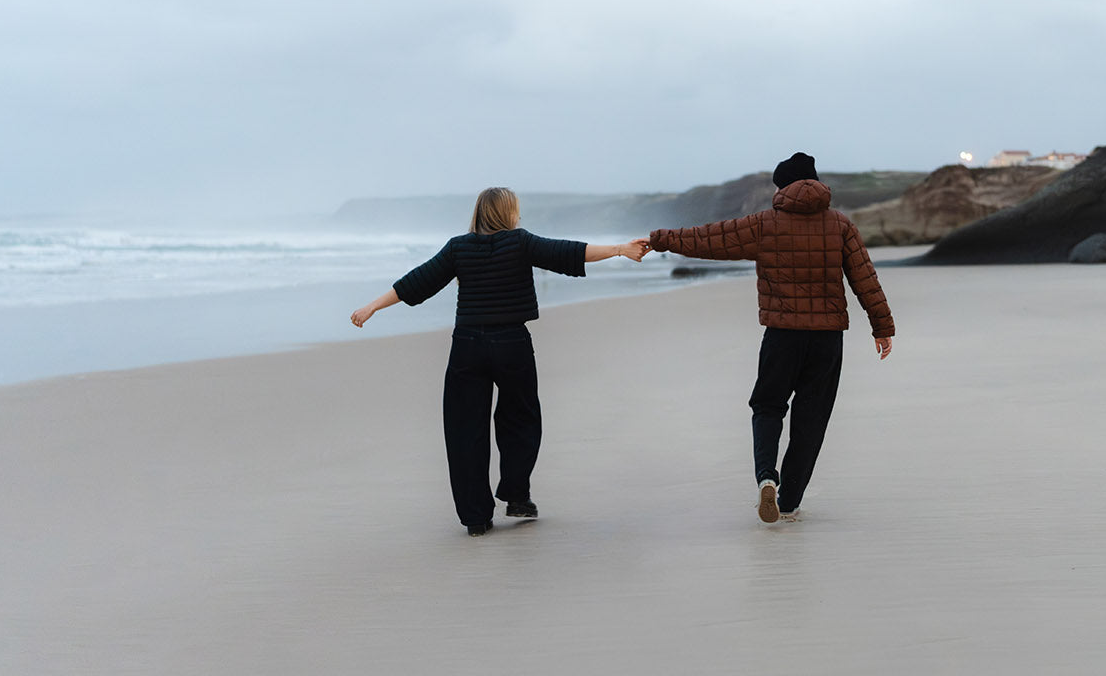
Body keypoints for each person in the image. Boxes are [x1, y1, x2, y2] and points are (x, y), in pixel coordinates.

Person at [351, 187, 649, 537]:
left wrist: (372, 306)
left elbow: (418, 281)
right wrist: (620, 249)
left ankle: (476, 518)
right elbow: (568, 252)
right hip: (511, 344)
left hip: (467, 347)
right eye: (516, 210)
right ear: (507, 213)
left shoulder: (458, 248)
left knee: (464, 430)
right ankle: (517, 495)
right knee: (521, 419)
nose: (519, 216)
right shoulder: (520, 242)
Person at [648, 152, 894, 524]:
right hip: (827, 339)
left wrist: (660, 240)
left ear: (782, 187)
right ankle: (790, 500)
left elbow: (712, 239)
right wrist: (882, 327)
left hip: (782, 335)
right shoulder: (840, 224)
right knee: (811, 418)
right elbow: (864, 277)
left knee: (767, 406)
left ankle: (766, 477)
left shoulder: (766, 224)